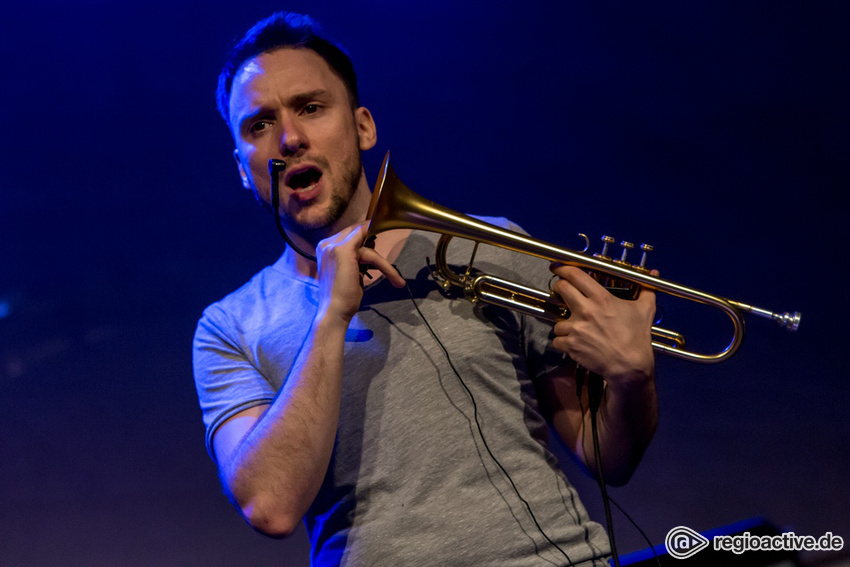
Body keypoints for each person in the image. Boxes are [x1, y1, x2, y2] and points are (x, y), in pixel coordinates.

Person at [193, 11, 658, 566]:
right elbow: (270, 507)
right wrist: (330, 315)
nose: (290, 138)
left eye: (311, 108)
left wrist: (633, 380)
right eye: (259, 125)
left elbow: (608, 456)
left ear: (363, 126)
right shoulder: (229, 327)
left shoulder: (491, 245)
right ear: (244, 169)